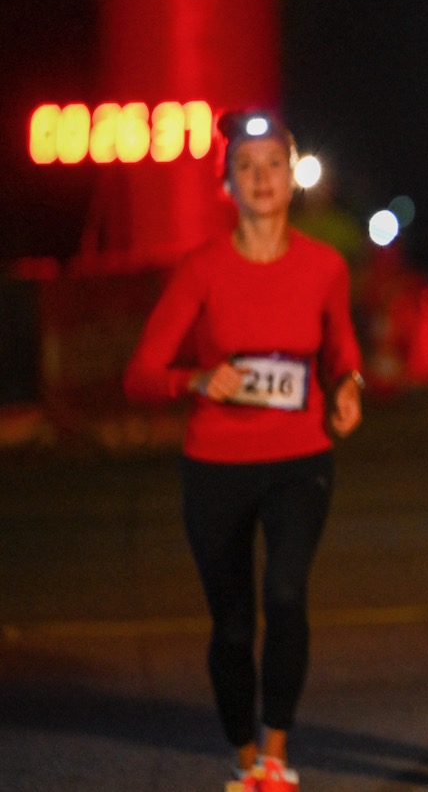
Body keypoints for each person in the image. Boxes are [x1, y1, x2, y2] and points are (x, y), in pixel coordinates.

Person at [124, 110, 364, 792]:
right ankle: (241, 753)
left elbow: (342, 349)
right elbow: (139, 373)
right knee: (232, 625)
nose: (261, 178)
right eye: (246, 167)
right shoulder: (201, 269)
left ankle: (277, 757)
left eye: (273, 165)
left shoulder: (324, 266)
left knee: (285, 596)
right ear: (227, 183)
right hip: (216, 467)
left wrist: (349, 387)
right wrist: (193, 379)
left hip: (300, 459)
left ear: (294, 177)